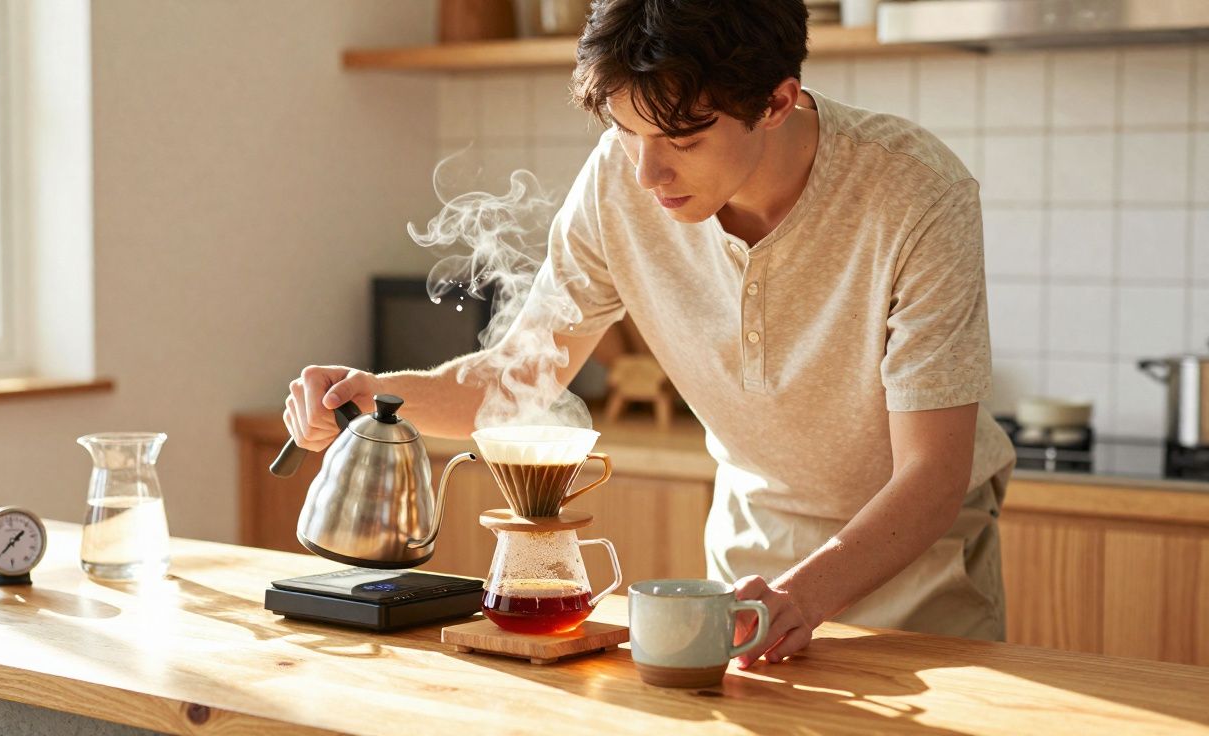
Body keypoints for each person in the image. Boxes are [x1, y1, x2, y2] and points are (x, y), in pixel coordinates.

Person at [283, 0, 1016, 667]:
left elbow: (932, 476)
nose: (646, 173)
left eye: (681, 139)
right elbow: (516, 380)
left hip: (916, 579)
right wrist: (373, 396)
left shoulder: (917, 194)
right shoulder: (617, 184)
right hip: (749, 567)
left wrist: (804, 596)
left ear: (776, 102)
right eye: (625, 130)